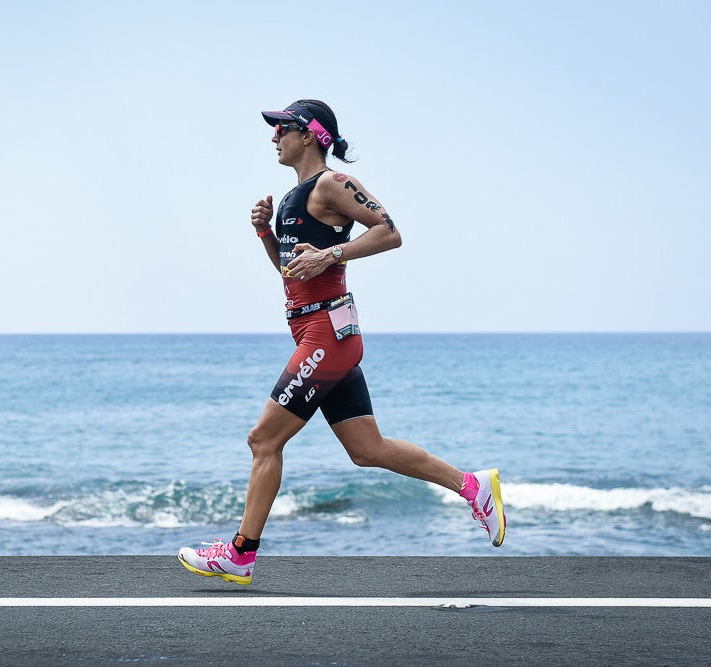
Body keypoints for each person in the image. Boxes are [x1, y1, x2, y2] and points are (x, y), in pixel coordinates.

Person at [178, 100, 506, 585]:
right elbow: (292, 272)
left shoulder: (332, 184)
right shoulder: (295, 198)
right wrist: (265, 234)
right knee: (367, 449)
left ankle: (241, 554)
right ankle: (472, 486)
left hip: (326, 334)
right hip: (320, 332)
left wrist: (331, 254)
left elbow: (390, 232)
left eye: (282, 128)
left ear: (309, 135)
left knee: (263, 439)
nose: (274, 137)